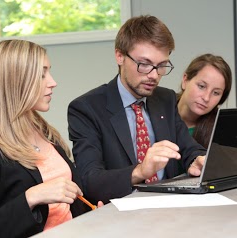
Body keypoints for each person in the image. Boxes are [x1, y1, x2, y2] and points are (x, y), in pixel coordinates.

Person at [68, 15, 206, 205]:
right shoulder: (87, 109)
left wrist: (198, 160)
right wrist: (141, 171)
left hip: (171, 208)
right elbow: (90, 180)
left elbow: (188, 148)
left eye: (161, 66)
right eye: (145, 64)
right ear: (120, 56)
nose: (154, 75)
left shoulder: (165, 98)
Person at [0, 39, 102, 238]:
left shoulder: (44, 131)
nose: (53, 82)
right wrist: (32, 196)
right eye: (41, 74)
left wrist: (91, 214)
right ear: (15, 81)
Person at [177, 53, 232, 148]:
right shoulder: (156, 110)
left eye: (216, 93)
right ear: (185, 80)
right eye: (201, 86)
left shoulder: (220, 133)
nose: (206, 98)